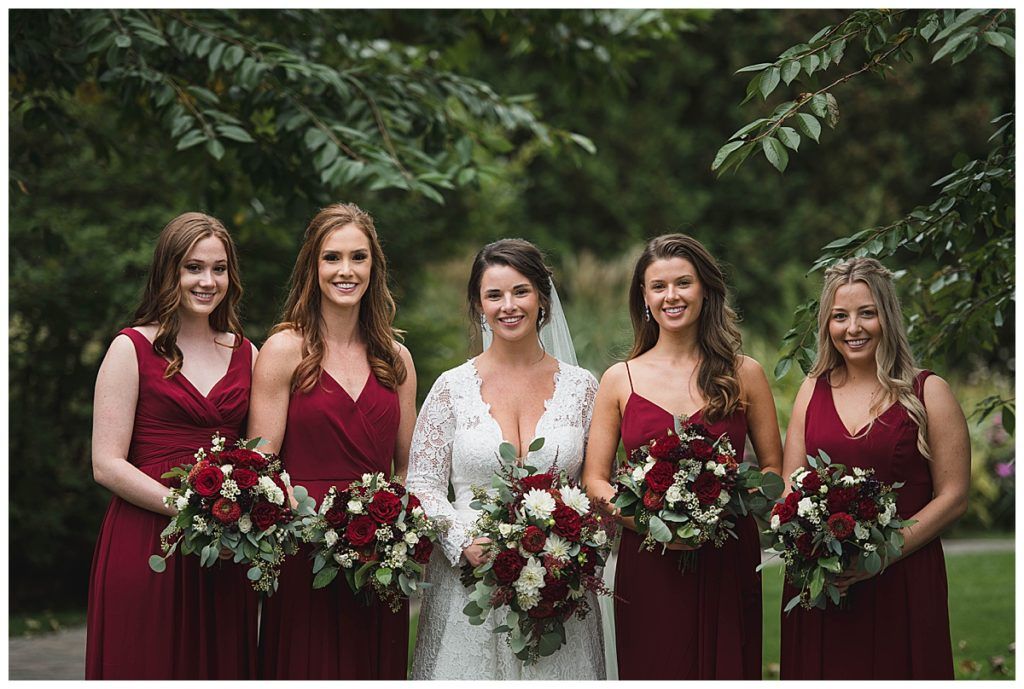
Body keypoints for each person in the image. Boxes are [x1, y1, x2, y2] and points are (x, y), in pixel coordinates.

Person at [582, 233, 783, 680]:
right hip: (648, 560)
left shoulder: (743, 373)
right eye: (659, 286)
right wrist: (653, 526)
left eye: (683, 283)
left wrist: (723, 509)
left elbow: (774, 470)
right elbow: (594, 480)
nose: (671, 296)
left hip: (727, 556)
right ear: (644, 297)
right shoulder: (620, 379)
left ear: (706, 290)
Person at [407, 238, 605, 680]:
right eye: (494, 295)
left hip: (558, 589)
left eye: (520, 291)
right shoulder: (451, 389)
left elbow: (599, 482)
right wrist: (462, 541)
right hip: (467, 587)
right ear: (479, 304)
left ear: (542, 297)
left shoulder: (582, 388)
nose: (508, 306)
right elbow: (422, 484)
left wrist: (572, 549)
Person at [86, 212, 258, 679]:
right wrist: (193, 509)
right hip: (146, 542)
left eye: (219, 268)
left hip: (223, 552)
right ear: (169, 272)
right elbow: (106, 463)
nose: (208, 281)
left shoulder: (246, 352)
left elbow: (260, 457)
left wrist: (242, 517)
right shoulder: (131, 349)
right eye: (193, 267)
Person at [779, 257, 969, 679]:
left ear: (888, 316)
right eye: (840, 316)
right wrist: (815, 547)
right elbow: (790, 490)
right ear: (827, 325)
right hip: (822, 581)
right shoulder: (812, 390)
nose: (854, 328)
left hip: (902, 579)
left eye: (867, 313)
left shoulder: (928, 391)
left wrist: (878, 557)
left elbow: (954, 496)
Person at [250, 202, 417, 680]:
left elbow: (407, 468)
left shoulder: (396, 358)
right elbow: (261, 465)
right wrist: (309, 525)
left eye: (358, 257)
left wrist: (393, 530)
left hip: (379, 557)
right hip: (304, 551)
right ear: (312, 266)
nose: (346, 271)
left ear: (374, 266)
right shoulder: (284, 349)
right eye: (332, 257)